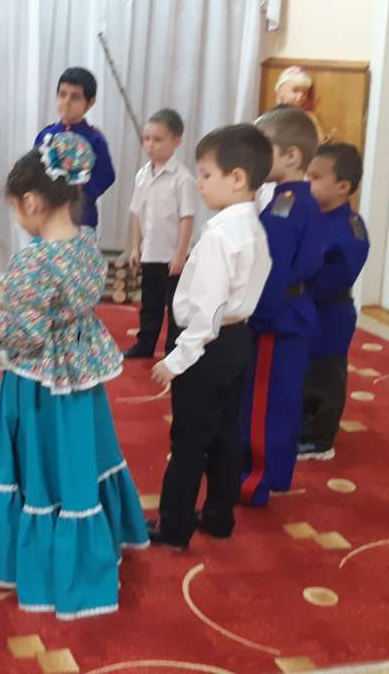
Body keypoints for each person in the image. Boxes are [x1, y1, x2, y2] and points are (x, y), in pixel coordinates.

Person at [0, 132, 148, 620]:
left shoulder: (33, 260)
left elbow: (26, 333)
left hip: (38, 384)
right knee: (77, 453)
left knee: (39, 460)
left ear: (30, 202)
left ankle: (43, 560)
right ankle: (90, 536)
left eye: (15, 209)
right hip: (80, 375)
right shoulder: (88, 244)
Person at [146, 124, 273, 548]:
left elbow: (208, 310)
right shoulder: (253, 226)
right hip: (237, 342)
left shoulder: (220, 235)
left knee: (188, 440)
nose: (198, 183)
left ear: (237, 178)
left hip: (206, 347)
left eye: (205, 175)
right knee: (225, 432)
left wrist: (176, 359)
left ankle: (174, 525)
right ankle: (219, 515)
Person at [240, 106, 325, 507]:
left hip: (276, 319)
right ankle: (273, 472)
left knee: (264, 403)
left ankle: (254, 480)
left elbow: (272, 270)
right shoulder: (296, 200)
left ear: (291, 156)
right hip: (292, 313)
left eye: (264, 148)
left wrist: (255, 317)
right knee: (280, 399)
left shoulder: (285, 207)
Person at [298, 143, 370, 461]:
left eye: (315, 177)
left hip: (330, 314)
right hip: (303, 309)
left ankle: (319, 439)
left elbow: (336, 277)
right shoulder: (311, 213)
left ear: (342, 187)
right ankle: (300, 426)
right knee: (301, 372)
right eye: (306, 174)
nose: (306, 181)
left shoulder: (349, 229)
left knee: (324, 376)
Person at [124, 108, 198, 359]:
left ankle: (174, 349)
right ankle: (145, 344)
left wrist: (180, 254)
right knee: (149, 302)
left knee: (175, 305)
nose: (150, 145)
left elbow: (186, 217)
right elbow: (136, 213)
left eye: (157, 139)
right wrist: (135, 247)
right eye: (146, 139)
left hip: (173, 255)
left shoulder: (182, 178)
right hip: (150, 252)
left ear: (176, 141)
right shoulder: (142, 175)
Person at [33, 67, 116, 228]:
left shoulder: (95, 139)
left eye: (75, 97)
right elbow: (33, 170)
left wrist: (81, 190)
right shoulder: (45, 135)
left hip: (82, 216)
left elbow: (107, 175)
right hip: (49, 214)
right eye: (62, 94)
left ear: (90, 102)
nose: (67, 101)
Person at [274, 66, 327, 142]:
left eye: (304, 93)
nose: (300, 96)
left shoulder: (309, 117)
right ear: (280, 91)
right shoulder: (273, 117)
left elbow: (320, 140)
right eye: (295, 91)